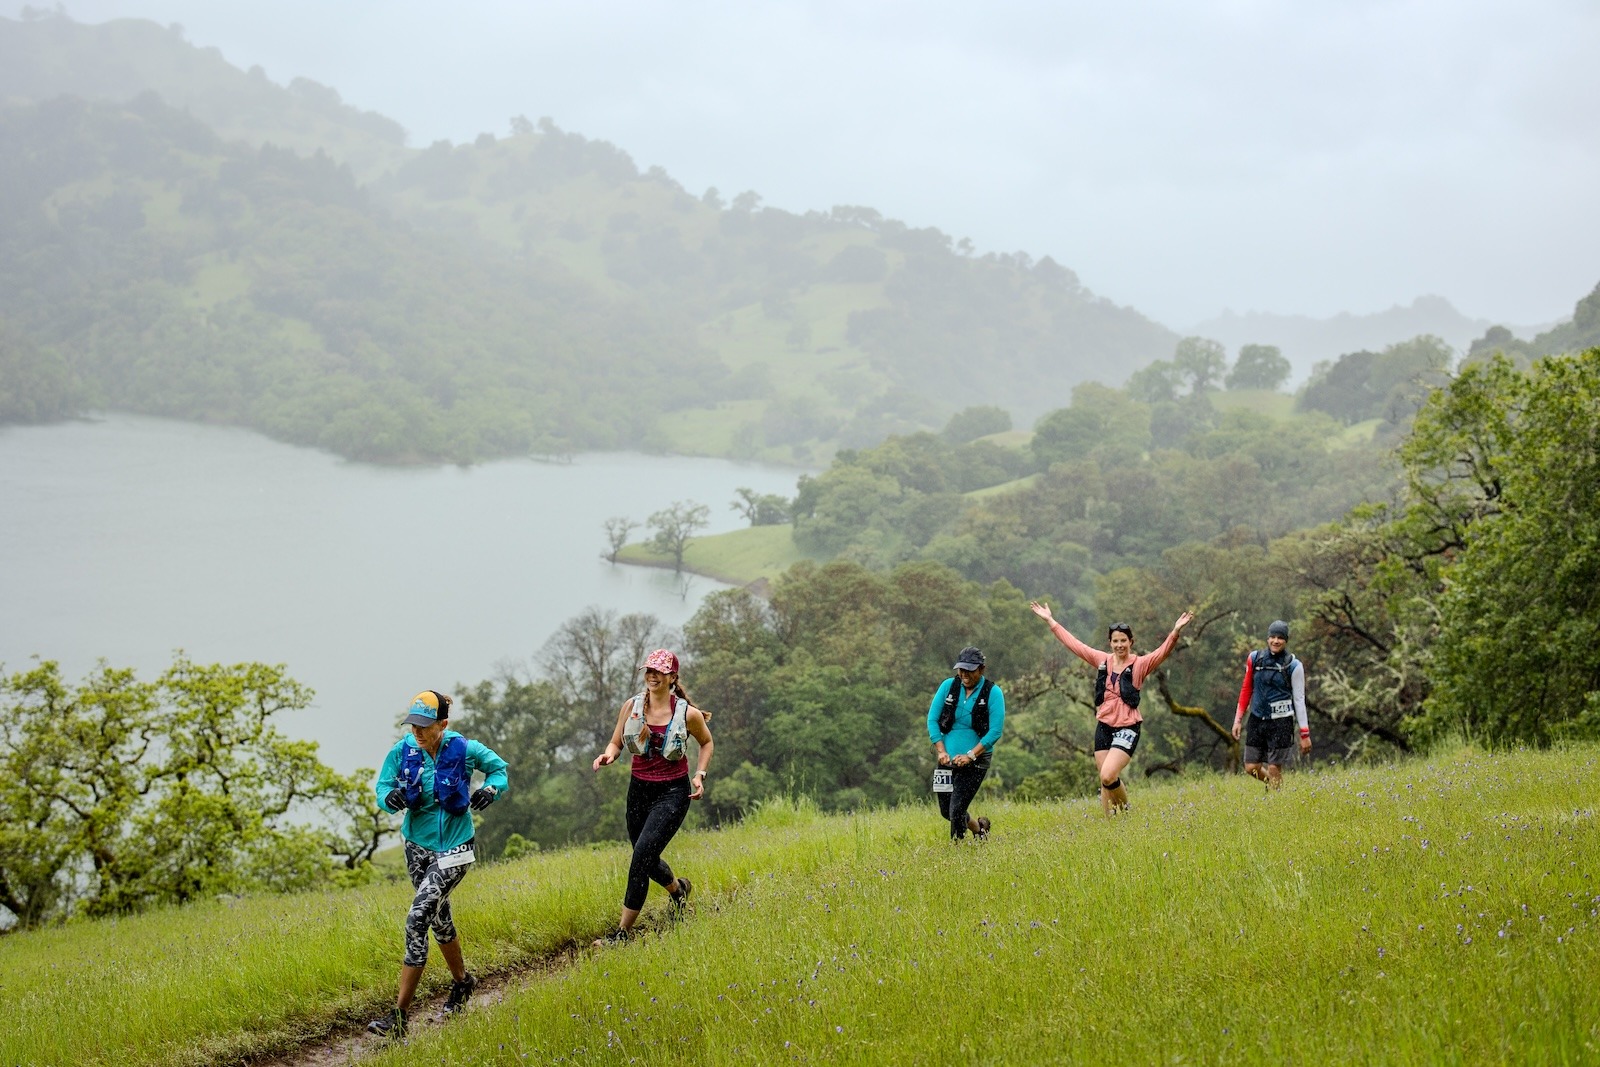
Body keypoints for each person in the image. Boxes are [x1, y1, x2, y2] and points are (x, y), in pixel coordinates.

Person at [368, 690, 508, 1039]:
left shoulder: (466, 748)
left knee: (418, 917)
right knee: (438, 919)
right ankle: (463, 983)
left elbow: (499, 772)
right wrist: (389, 797)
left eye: (424, 725)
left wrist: (490, 791)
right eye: (413, 724)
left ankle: (398, 1017)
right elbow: (382, 786)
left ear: (442, 724)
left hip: (457, 848)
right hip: (417, 847)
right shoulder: (403, 751)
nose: (416, 731)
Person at [590, 649, 713, 946]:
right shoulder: (631, 706)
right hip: (639, 791)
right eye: (649, 671)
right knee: (643, 855)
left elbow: (707, 743)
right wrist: (608, 755)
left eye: (659, 671)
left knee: (641, 858)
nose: (652, 676)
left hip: (673, 793)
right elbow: (616, 741)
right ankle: (677, 891)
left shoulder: (688, 714)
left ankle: (622, 934)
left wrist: (699, 775)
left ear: (672, 677)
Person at [1029, 601, 1194, 815]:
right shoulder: (1103, 661)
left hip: (1128, 726)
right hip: (1104, 724)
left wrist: (1175, 631)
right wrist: (1051, 621)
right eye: (1115, 641)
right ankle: (1110, 823)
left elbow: (1161, 653)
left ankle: (1125, 813)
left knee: (1108, 775)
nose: (1119, 645)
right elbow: (1076, 646)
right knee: (1105, 779)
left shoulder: (1140, 664)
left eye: (1123, 641)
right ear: (1110, 643)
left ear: (1131, 642)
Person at [926, 645, 1005, 841]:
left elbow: (995, 731)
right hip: (946, 760)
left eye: (969, 670)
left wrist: (971, 755)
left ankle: (958, 851)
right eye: (961, 670)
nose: (964, 674)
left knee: (957, 809)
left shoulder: (993, 693)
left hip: (976, 761)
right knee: (946, 811)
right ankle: (980, 829)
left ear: (981, 669)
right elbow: (932, 719)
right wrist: (941, 751)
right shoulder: (947, 686)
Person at [1232, 620, 1310, 788]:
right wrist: (1238, 719)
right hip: (1257, 719)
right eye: (1273, 637)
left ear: (1286, 641)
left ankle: (1278, 800)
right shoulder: (1255, 659)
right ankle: (1276, 788)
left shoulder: (1294, 665)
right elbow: (1246, 689)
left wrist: (1305, 734)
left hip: (1281, 722)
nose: (1276, 641)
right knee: (1251, 767)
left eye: (1280, 638)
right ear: (1267, 639)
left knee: (1274, 767)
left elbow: (1299, 700)